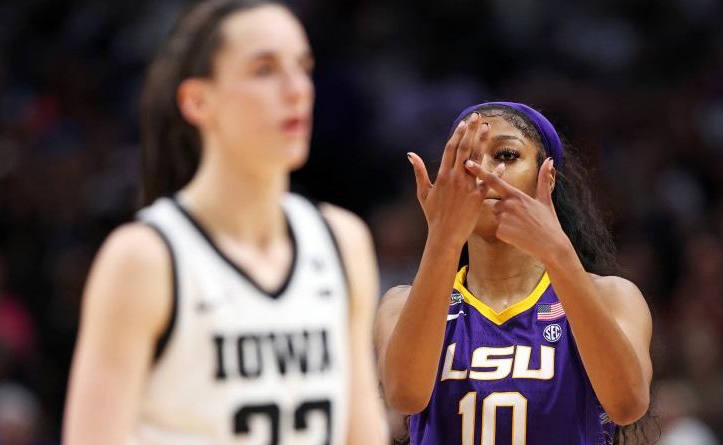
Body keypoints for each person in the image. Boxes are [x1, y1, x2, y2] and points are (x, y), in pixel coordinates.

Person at [62, 1, 386, 444]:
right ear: (199, 101)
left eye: (303, 67)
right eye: (264, 70)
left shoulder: (343, 243)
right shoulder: (143, 259)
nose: (297, 90)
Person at [375, 102, 652, 444]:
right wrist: (442, 237)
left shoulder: (613, 297)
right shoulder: (400, 304)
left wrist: (557, 252)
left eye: (505, 155)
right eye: (466, 159)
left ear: (547, 178)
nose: (483, 171)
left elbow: (628, 404)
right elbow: (405, 396)